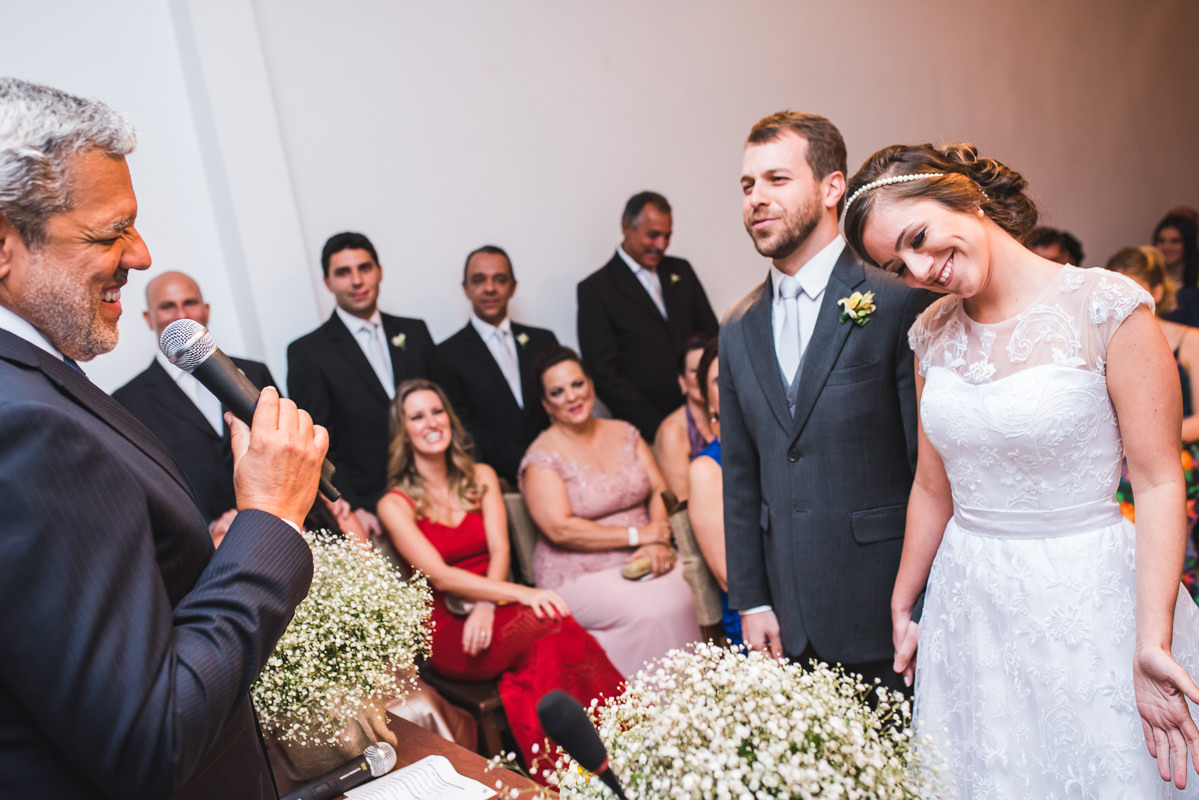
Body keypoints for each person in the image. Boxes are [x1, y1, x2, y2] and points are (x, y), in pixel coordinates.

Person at [0, 78, 326, 799]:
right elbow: (150, 738)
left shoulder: (34, 385)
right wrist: (269, 520)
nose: (140, 255)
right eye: (107, 232)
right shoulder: (22, 425)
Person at [842, 141, 1199, 795]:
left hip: (1083, 596)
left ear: (960, 193)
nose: (921, 268)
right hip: (967, 603)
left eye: (918, 237)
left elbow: (1156, 480)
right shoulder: (930, 334)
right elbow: (931, 483)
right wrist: (903, 599)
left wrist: (1153, 639)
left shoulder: (1107, 308)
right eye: (899, 265)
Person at [720, 111, 930, 690]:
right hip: (786, 621)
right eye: (747, 185)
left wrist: (928, 601)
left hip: (885, 609)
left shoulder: (894, 303)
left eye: (776, 180)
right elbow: (740, 476)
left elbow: (927, 473)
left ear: (831, 187)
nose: (756, 199)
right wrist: (753, 601)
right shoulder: (737, 326)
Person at [375, 379, 623, 780]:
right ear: (404, 433)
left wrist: (490, 604)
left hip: (496, 606)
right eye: (417, 416)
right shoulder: (393, 504)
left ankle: (596, 753)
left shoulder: (483, 477)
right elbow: (441, 576)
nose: (431, 422)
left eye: (437, 411)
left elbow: (501, 551)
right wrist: (523, 593)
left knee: (550, 635)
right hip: (451, 627)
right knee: (550, 623)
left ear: (450, 419)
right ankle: (587, 759)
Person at [519, 346, 701, 676]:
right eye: (557, 392)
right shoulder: (542, 457)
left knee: (683, 592)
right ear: (546, 404)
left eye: (577, 384)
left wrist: (656, 541)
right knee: (649, 610)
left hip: (645, 553)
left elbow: (660, 491)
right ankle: (645, 715)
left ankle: (695, 705)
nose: (571, 397)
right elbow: (560, 529)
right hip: (580, 571)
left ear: (590, 384)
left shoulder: (624, 432)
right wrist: (637, 535)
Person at [287, 231, 438, 537]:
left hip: (438, 491)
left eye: (364, 268)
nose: (357, 281)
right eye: (343, 273)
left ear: (379, 271)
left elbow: (445, 411)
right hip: (371, 506)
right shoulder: (308, 353)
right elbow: (319, 442)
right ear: (327, 282)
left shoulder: (416, 332)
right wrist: (352, 507)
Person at [113, 271, 277, 546]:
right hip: (199, 551)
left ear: (206, 310)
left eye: (190, 302)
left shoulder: (253, 373)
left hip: (278, 525)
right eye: (167, 306)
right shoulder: (127, 402)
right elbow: (146, 491)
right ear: (148, 317)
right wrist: (210, 528)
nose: (181, 314)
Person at [577, 191, 719, 441]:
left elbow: (712, 338)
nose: (661, 245)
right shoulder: (596, 290)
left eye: (667, 236)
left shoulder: (681, 270)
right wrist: (660, 428)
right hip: (647, 431)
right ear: (625, 227)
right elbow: (605, 375)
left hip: (707, 419)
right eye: (653, 235)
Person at [1107, 245, 1199, 600]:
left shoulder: (1188, 340)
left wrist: (1145, 438)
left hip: (1175, 454)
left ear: (1156, 292)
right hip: (1121, 457)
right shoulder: (1108, 341)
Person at [437, 245, 559, 487]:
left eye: (499, 279)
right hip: (495, 483)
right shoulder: (446, 354)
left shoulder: (543, 341)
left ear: (513, 287)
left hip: (555, 472)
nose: (490, 288)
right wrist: (485, 477)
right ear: (466, 288)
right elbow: (460, 425)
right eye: (479, 280)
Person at [685, 336, 741, 645]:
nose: (733, 385)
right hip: (756, 616)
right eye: (721, 380)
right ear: (706, 398)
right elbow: (730, 578)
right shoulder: (706, 470)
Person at [651, 332, 715, 503]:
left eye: (708, 368)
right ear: (682, 381)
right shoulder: (673, 431)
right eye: (695, 371)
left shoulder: (730, 416)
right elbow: (682, 504)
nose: (703, 376)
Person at [1156, 214, 1199, 327]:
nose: (1167, 247)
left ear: (1188, 244)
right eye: (1161, 240)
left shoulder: (1194, 287)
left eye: (1175, 241)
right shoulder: (1151, 280)